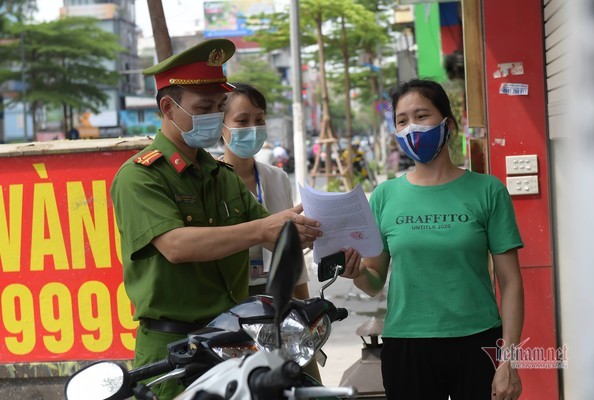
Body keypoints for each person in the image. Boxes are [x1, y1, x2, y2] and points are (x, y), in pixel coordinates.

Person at [110, 38, 321, 400]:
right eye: (204, 107)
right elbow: (176, 245)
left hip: (233, 343)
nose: (213, 114)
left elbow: (273, 234)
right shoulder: (140, 176)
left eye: (218, 106)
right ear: (167, 107)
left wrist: (313, 228)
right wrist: (263, 228)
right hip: (173, 349)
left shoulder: (220, 176)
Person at [340, 79, 524, 400]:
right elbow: (373, 282)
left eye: (422, 115)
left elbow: (511, 283)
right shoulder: (384, 196)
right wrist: (355, 272)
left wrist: (509, 361)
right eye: (402, 120)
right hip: (407, 343)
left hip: (479, 341)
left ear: (448, 124)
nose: (412, 127)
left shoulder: (488, 191)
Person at [219, 82, 321, 381]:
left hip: (281, 302)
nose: (252, 128)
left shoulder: (276, 178)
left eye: (259, 119)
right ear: (221, 126)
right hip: (234, 306)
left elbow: (290, 255)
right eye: (242, 120)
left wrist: (306, 312)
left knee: (303, 382)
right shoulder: (211, 182)